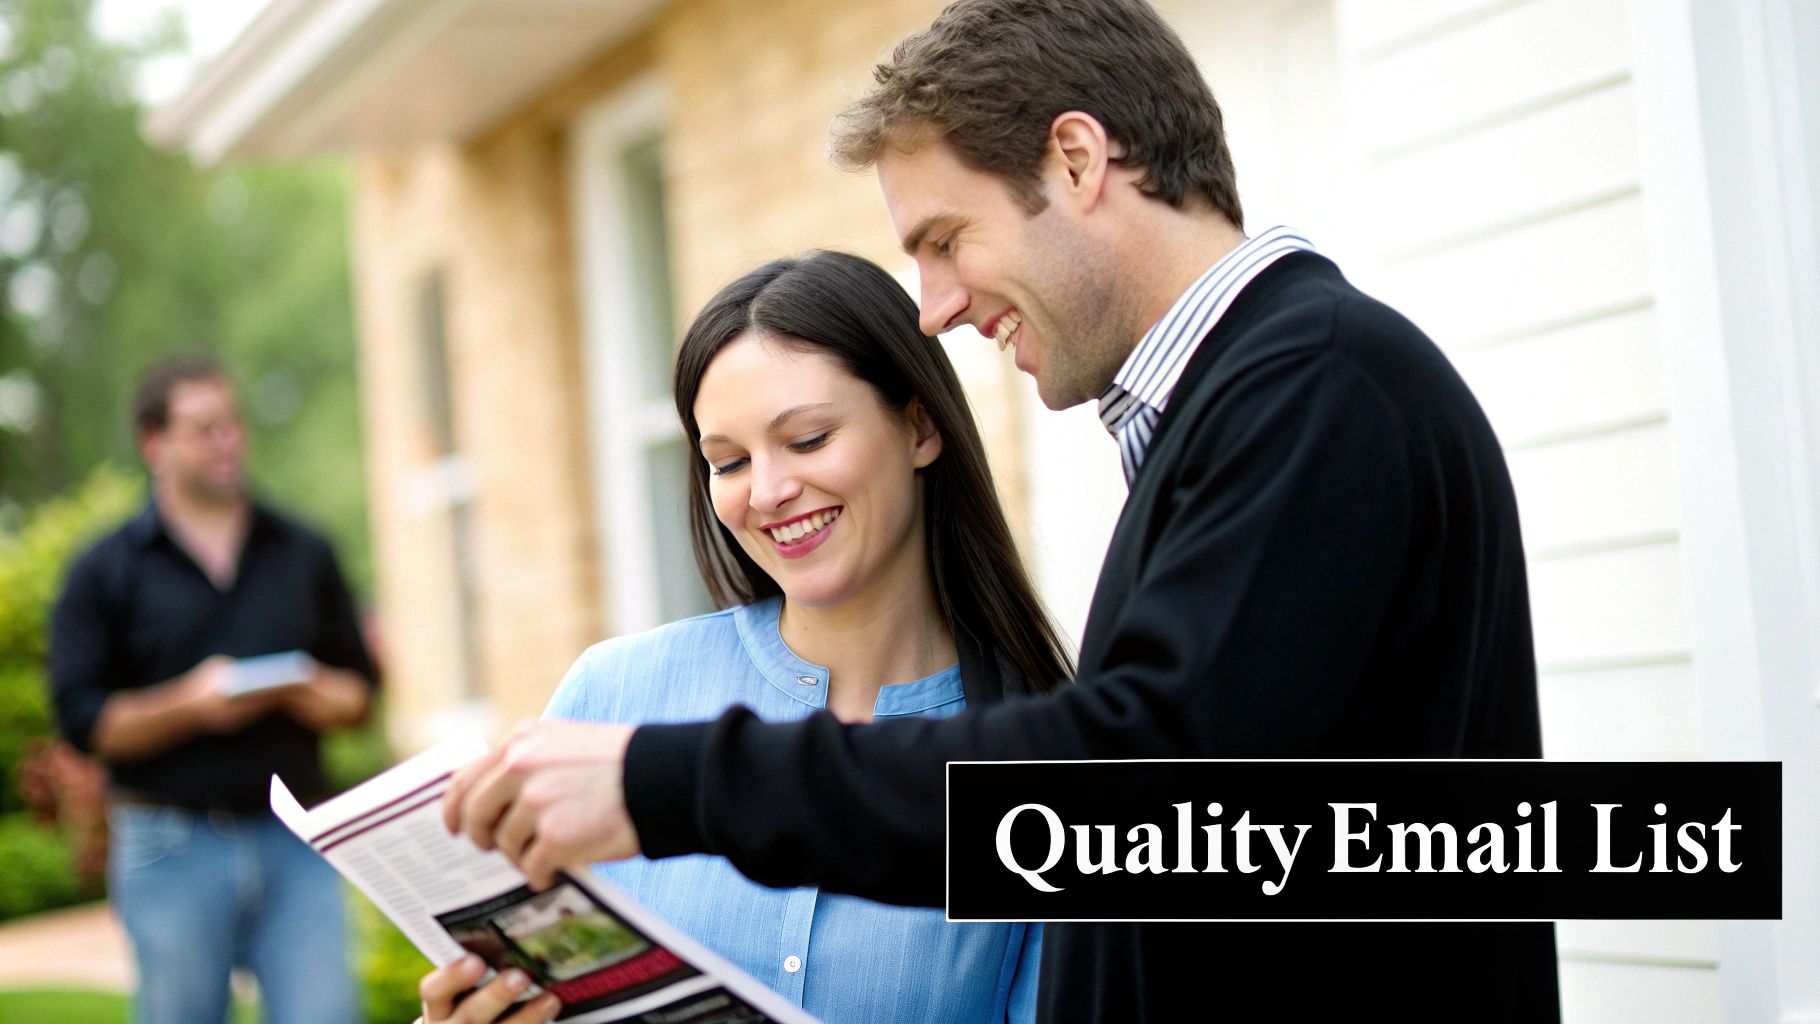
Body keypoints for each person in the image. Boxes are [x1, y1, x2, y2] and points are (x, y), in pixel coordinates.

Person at [444, 0, 1561, 1019]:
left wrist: (664, 781)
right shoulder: (1242, 404)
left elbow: (1126, 791)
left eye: (943, 239)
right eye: (726, 458)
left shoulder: (1314, 389)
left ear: (1075, 160)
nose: (932, 307)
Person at [418, 251, 1071, 1024]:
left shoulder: (1038, 754)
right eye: (727, 462)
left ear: (920, 425)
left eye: (807, 439)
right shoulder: (614, 695)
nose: (766, 493)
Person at [48, 355, 377, 1024]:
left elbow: (363, 693)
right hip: (169, 844)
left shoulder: (303, 551)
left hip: (298, 840)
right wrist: (189, 705)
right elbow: (83, 720)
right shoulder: (103, 569)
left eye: (233, 423)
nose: (227, 440)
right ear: (154, 443)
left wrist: (311, 689)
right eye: (204, 428)